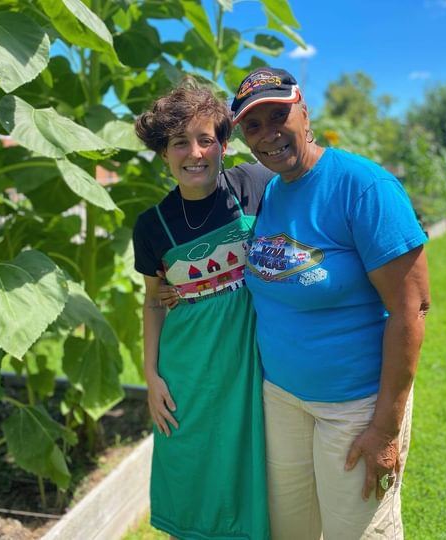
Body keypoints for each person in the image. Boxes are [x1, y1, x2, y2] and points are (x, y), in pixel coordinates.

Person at [229, 67, 431, 540]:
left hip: (355, 404)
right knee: (290, 530)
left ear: (304, 112)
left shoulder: (363, 188)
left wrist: (384, 428)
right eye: (253, 126)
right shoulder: (272, 192)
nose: (268, 135)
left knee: (355, 532)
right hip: (282, 398)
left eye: (279, 115)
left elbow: (412, 308)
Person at [132, 80, 272, 540]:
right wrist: (151, 378)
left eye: (206, 139)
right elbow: (155, 301)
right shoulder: (151, 226)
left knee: (261, 473)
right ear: (164, 153)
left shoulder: (253, 184)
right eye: (180, 142)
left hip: (254, 363)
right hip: (189, 370)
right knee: (193, 470)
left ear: (224, 145)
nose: (195, 153)